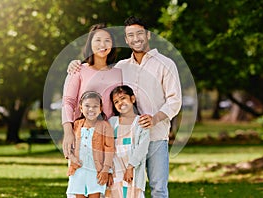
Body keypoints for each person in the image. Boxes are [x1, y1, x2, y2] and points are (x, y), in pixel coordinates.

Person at [68, 16, 182, 197]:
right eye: (130, 35)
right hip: (126, 139)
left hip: (156, 135)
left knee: (158, 187)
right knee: (124, 188)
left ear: (148, 35)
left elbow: (175, 100)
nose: (136, 38)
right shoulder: (121, 67)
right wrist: (76, 64)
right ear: (126, 40)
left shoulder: (166, 64)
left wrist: (155, 118)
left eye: (139, 33)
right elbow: (101, 79)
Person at [61, 23, 122, 161]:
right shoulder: (78, 69)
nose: (103, 44)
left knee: (106, 178)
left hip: (108, 134)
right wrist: (68, 131)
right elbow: (68, 102)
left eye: (107, 40)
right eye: (98, 40)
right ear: (90, 43)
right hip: (81, 133)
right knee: (80, 177)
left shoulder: (118, 73)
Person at [66, 91, 114, 198]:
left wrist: (106, 170)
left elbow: (109, 149)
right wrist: (72, 158)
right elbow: (69, 146)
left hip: (96, 170)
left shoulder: (105, 126)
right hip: (79, 170)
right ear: (81, 108)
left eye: (95, 106)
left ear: (100, 108)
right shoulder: (77, 125)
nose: (91, 109)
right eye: (87, 106)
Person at [107, 85, 149, 198]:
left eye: (123, 98)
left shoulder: (141, 122)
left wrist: (130, 167)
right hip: (115, 172)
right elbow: (107, 148)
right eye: (116, 101)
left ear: (132, 99)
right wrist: (109, 171)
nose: (120, 103)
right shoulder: (112, 122)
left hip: (133, 171)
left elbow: (142, 148)